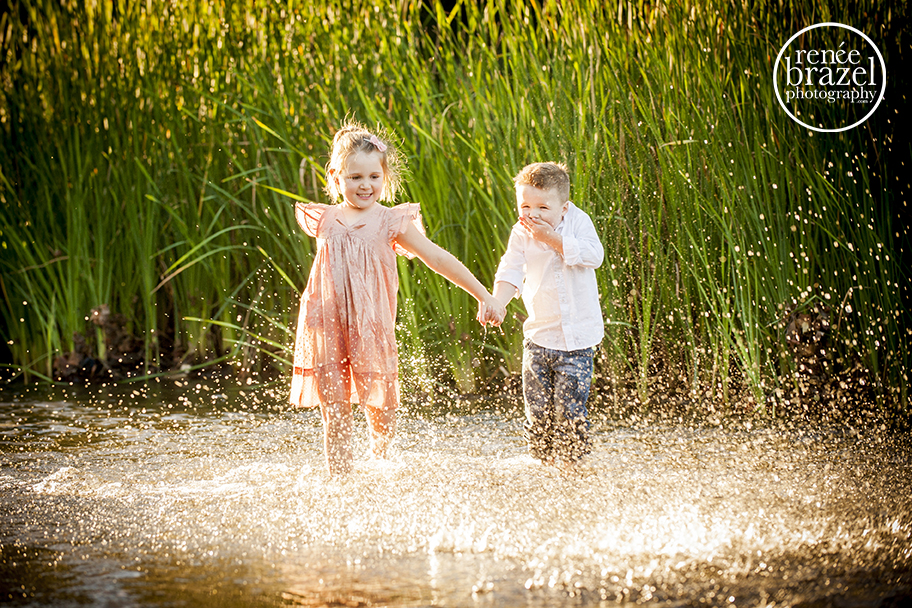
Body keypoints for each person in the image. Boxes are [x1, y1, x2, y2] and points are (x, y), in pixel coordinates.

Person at [290, 121, 504, 476]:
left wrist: (483, 294)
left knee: (379, 405)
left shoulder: (391, 221)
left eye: (374, 177)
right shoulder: (324, 219)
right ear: (336, 175)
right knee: (335, 407)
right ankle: (340, 479)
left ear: (384, 177)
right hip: (325, 322)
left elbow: (436, 258)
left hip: (370, 324)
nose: (365, 185)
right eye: (356, 177)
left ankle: (380, 462)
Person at [488, 162, 604, 467]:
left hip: (577, 342)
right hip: (539, 337)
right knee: (536, 411)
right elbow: (510, 269)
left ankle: (573, 465)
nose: (533, 214)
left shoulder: (578, 222)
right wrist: (497, 301)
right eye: (525, 206)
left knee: (570, 413)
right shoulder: (520, 232)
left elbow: (595, 255)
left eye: (542, 207)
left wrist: (550, 239)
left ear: (563, 208)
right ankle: (540, 463)